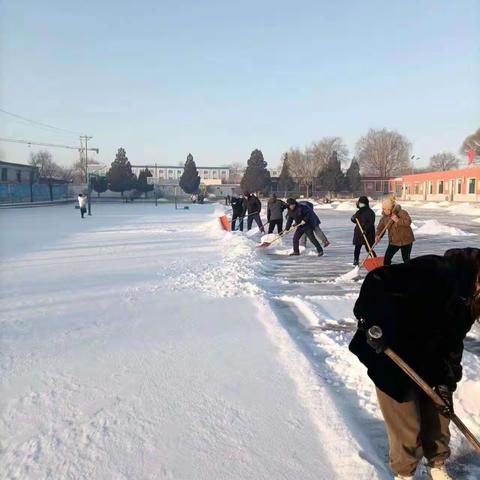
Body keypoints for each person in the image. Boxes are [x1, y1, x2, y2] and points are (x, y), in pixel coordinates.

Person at [349, 247, 480, 480]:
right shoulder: (438, 270)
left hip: (432, 356)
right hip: (393, 350)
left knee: (440, 415)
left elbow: (454, 339)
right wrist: (371, 323)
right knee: (406, 421)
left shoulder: (471, 297)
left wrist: (448, 379)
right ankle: (405, 472)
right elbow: (376, 279)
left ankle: (437, 464)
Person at [376, 198, 415, 265]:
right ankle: (387, 273)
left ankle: (410, 273)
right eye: (384, 209)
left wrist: (397, 220)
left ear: (392, 208)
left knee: (406, 259)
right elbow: (380, 228)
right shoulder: (384, 218)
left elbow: (408, 222)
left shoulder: (402, 212)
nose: (386, 211)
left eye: (388, 209)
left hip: (406, 240)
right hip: (394, 241)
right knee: (387, 259)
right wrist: (378, 236)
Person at [351, 196, 376, 266]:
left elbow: (370, 223)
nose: (360, 204)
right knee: (357, 247)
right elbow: (354, 220)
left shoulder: (370, 212)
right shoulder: (359, 212)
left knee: (369, 248)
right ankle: (356, 260)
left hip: (368, 233)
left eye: (362, 203)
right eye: (360, 203)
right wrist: (353, 218)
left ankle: (374, 259)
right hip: (359, 233)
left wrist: (365, 230)